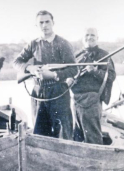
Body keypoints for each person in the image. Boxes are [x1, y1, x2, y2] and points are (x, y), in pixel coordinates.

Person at [13, 10, 77, 139]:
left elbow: (74, 70)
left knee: (62, 132)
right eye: (41, 23)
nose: (44, 25)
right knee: (39, 131)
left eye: (47, 21)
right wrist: (30, 68)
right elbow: (17, 62)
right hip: (38, 92)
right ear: (36, 26)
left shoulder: (63, 44)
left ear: (53, 23)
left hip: (58, 91)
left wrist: (54, 75)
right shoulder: (33, 44)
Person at [72, 28, 116, 145]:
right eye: (87, 35)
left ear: (97, 38)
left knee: (92, 137)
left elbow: (111, 76)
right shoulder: (76, 55)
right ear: (82, 38)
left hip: (92, 100)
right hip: (76, 100)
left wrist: (94, 71)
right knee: (77, 135)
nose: (89, 37)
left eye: (92, 35)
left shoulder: (104, 55)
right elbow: (68, 73)